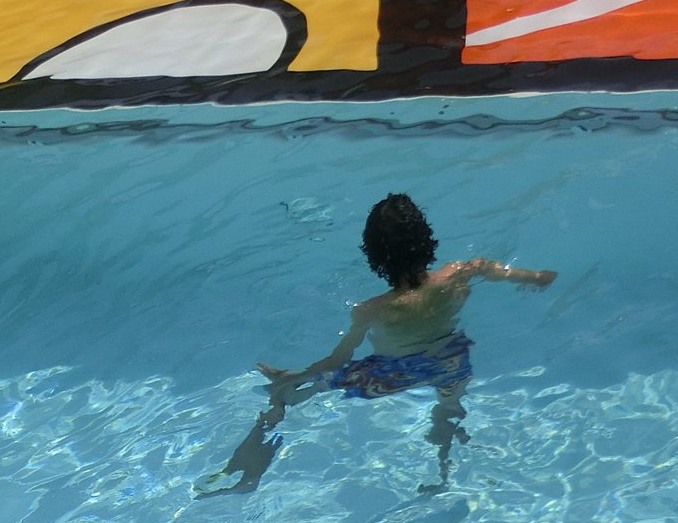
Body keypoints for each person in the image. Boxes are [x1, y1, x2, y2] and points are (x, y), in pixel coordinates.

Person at [194, 193, 554, 497]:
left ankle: (257, 445)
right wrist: (537, 277)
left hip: (394, 372)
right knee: (448, 408)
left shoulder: (372, 310)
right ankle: (444, 471)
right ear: (427, 239)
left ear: (374, 256)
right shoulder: (462, 272)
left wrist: (294, 375)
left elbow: (337, 360)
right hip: (450, 360)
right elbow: (505, 273)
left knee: (292, 392)